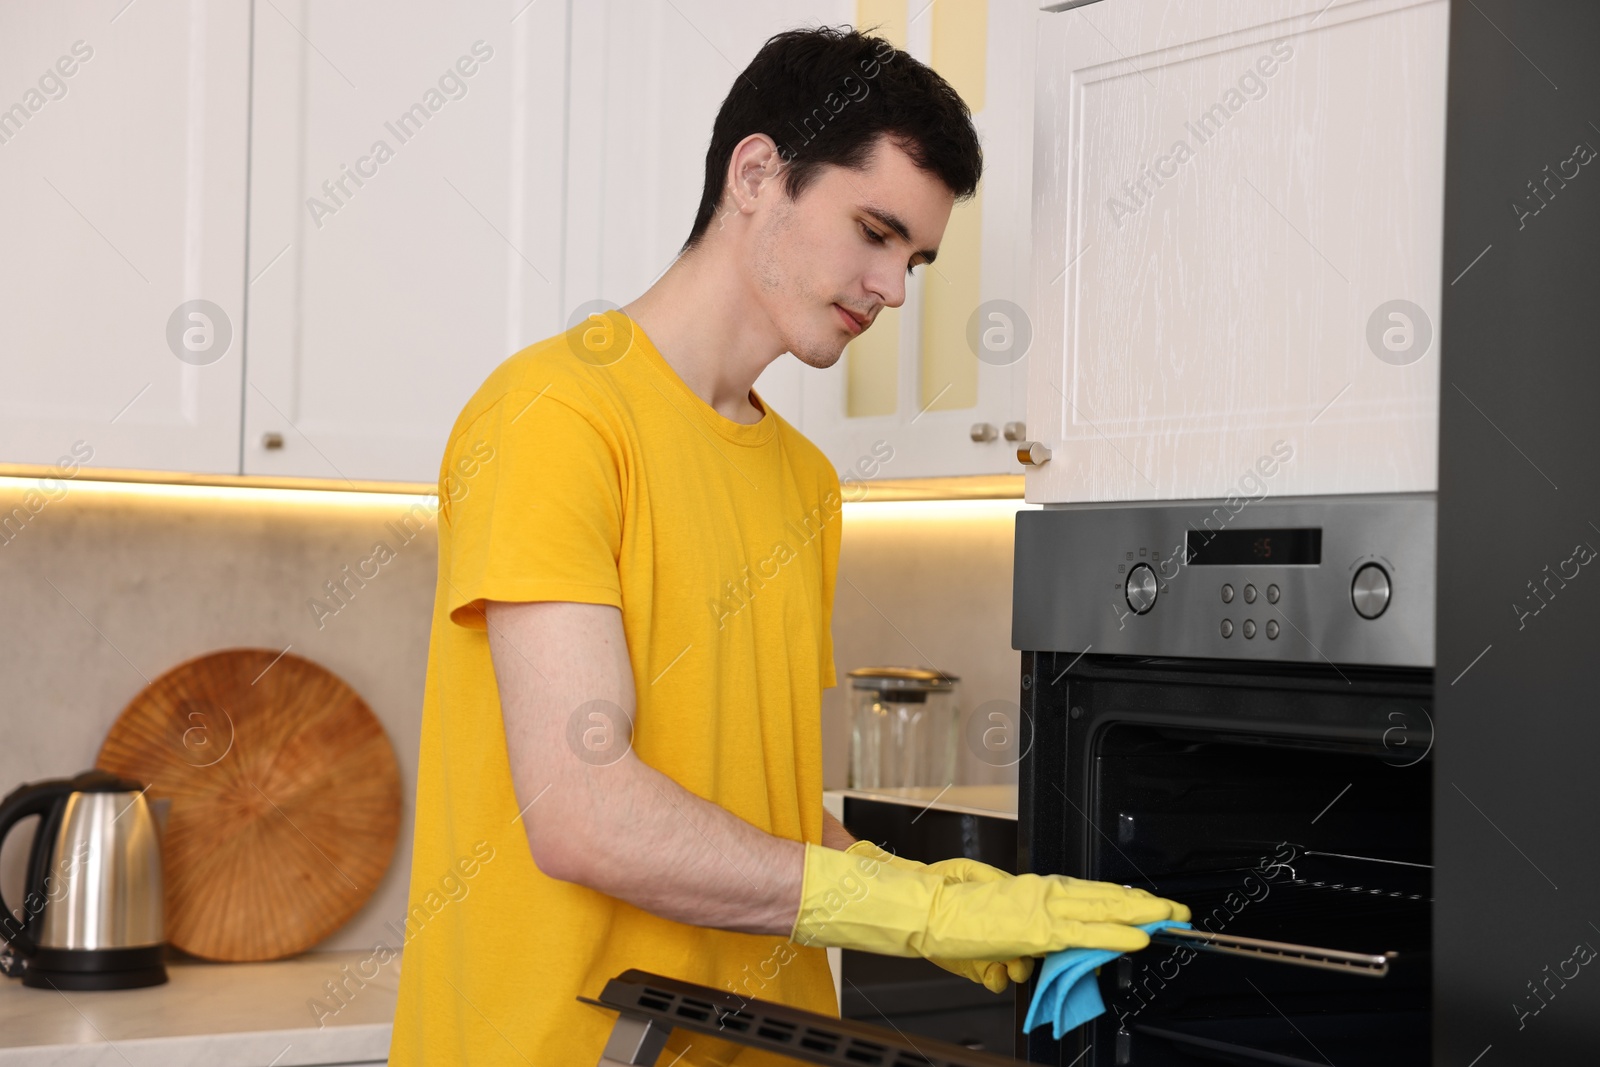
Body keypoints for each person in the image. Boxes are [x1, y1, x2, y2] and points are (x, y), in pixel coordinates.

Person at [388, 24, 1188, 1067]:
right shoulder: (553, 415)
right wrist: (909, 911)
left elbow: (759, 811)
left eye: (915, 258)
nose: (894, 288)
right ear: (757, 173)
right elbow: (585, 813)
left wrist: (947, 895)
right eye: (873, 230)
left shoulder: (804, 482)